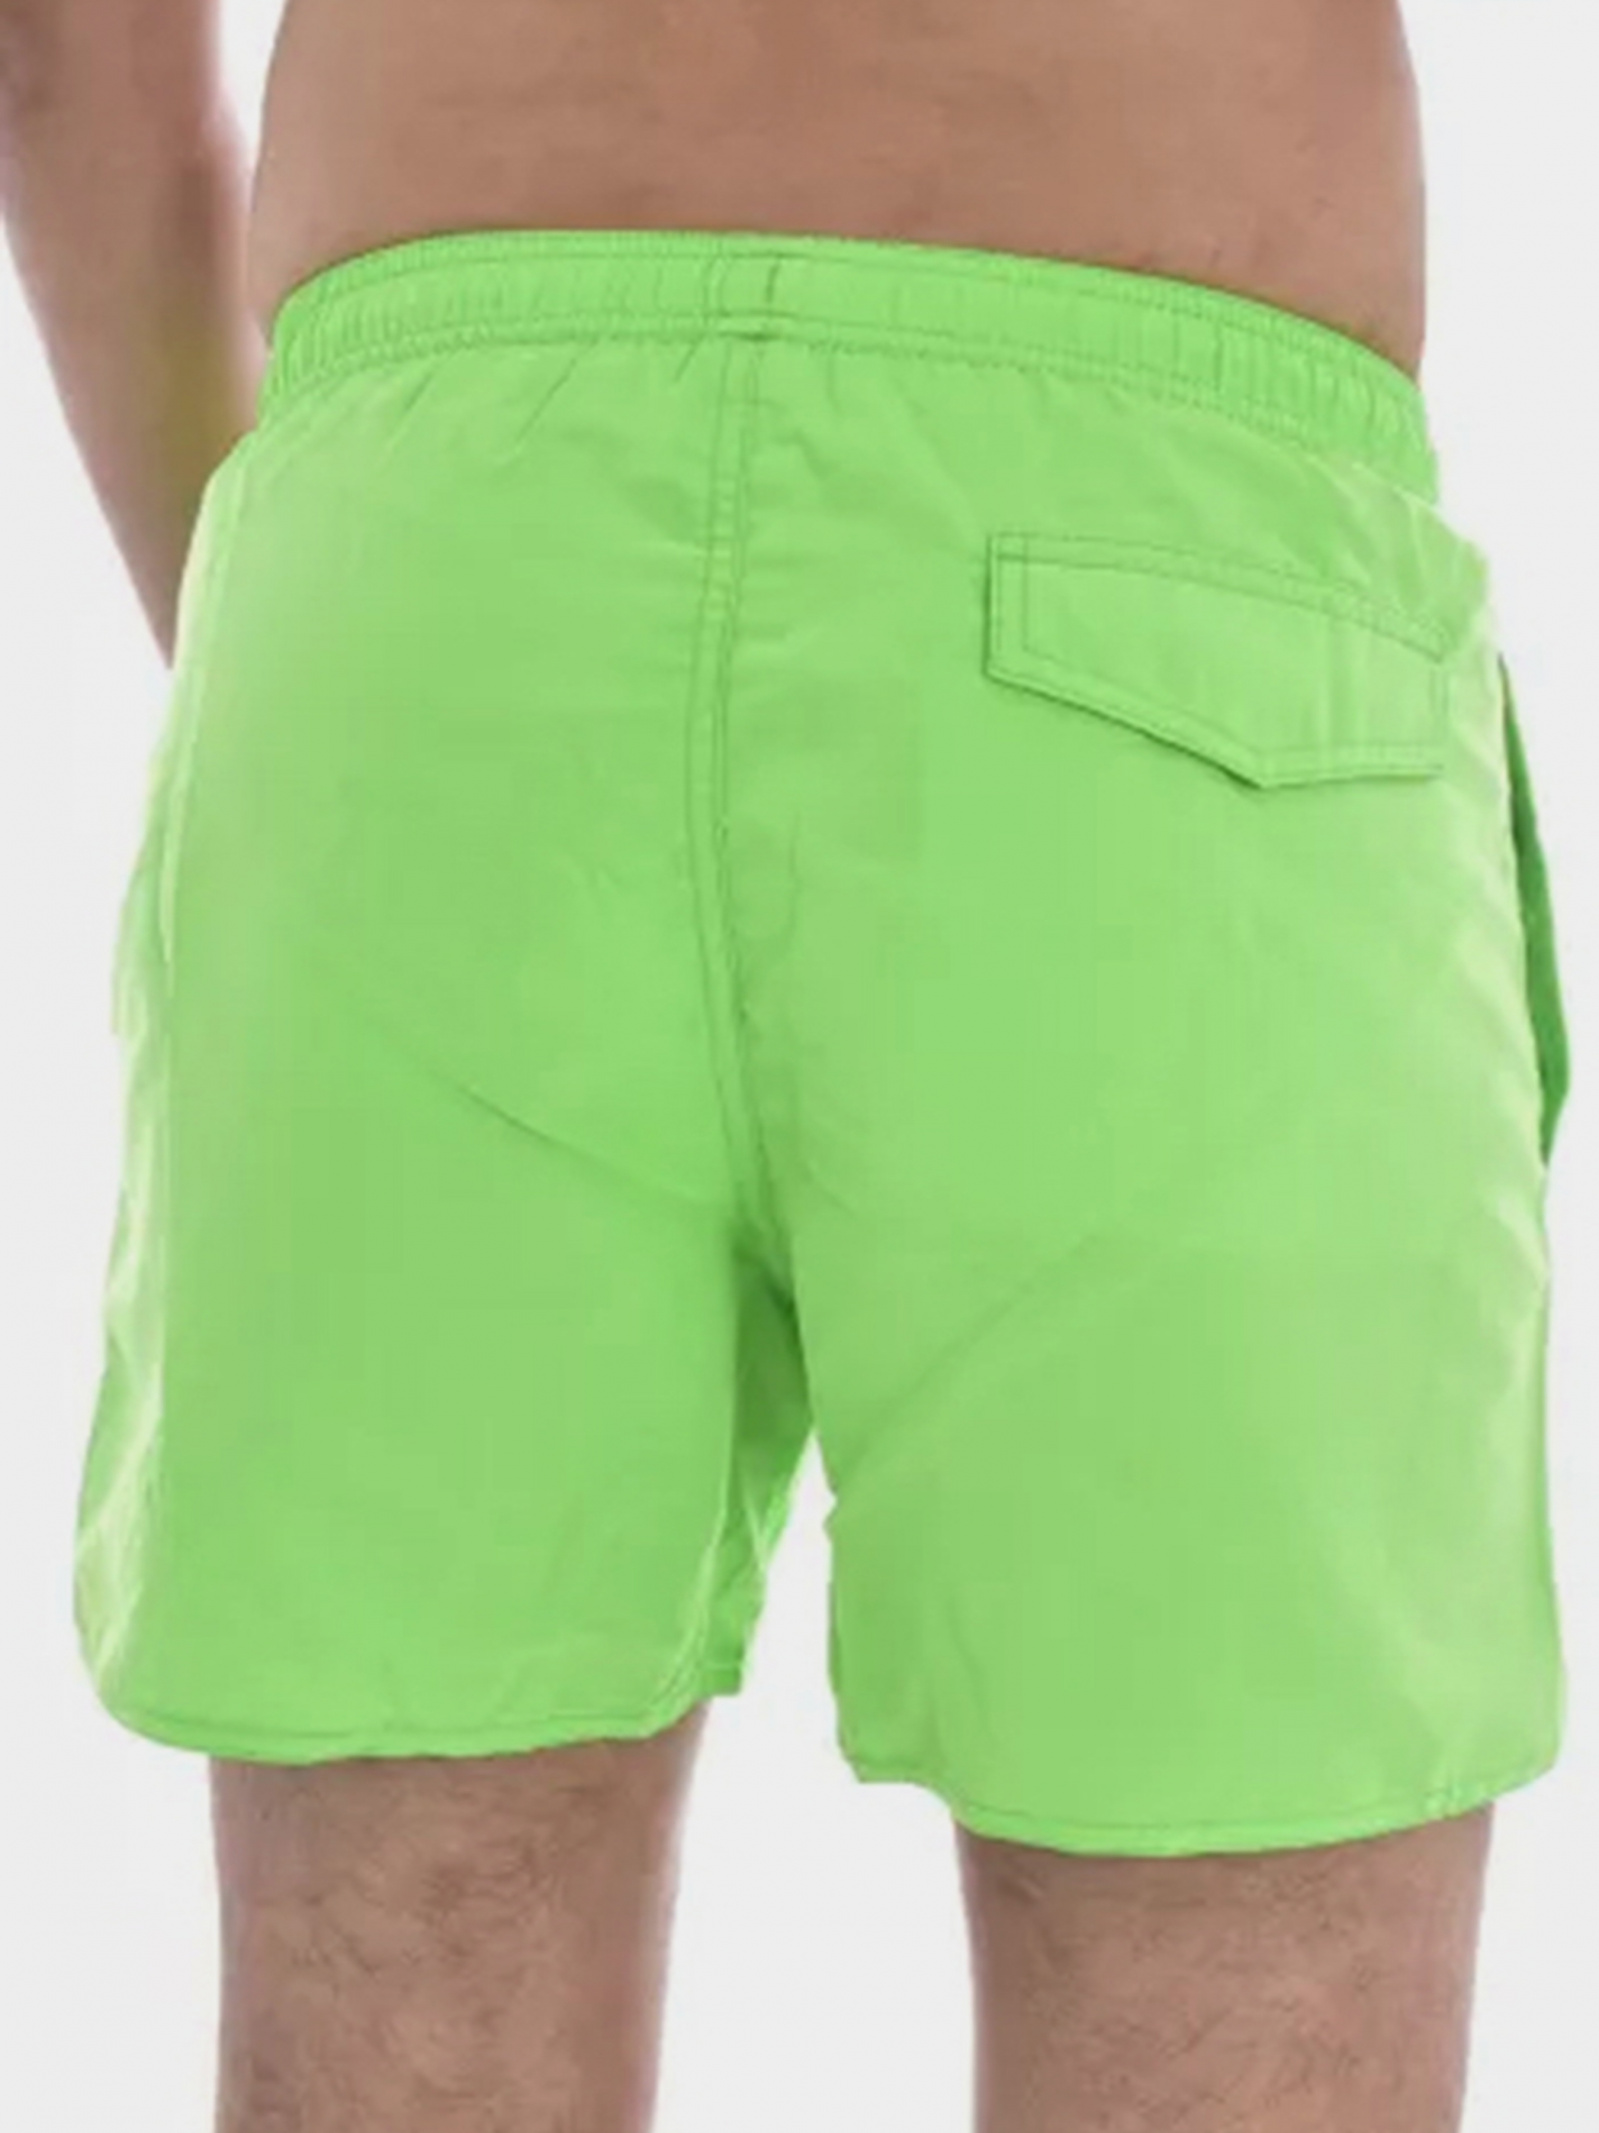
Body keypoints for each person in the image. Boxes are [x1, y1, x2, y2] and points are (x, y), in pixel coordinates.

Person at [0, 1, 1571, 2127]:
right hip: (1167, 589)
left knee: (405, 2016)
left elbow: (68, 53)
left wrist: (333, 633)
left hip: (429, 597)